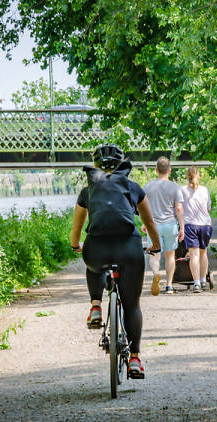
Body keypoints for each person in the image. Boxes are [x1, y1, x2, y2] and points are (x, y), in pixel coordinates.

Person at [70, 144, 162, 379]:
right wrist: (156, 245)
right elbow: (150, 223)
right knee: (132, 305)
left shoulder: (87, 190)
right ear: (122, 164)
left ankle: (96, 306)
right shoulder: (133, 187)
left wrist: (74, 245)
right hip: (129, 250)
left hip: (97, 249)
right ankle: (134, 359)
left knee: (93, 262)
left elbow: (78, 226)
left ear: (96, 166)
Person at [142, 157, 186, 295]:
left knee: (154, 255)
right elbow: (178, 209)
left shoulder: (148, 187)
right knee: (170, 256)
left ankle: (156, 273)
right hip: (170, 225)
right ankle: (169, 286)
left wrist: (144, 223)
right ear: (170, 170)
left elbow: (144, 208)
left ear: (156, 170)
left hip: (153, 226)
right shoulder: (175, 187)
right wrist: (182, 227)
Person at [181, 166, 212, 293]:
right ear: (198, 175)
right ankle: (204, 280)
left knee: (194, 255)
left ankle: (197, 284)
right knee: (203, 253)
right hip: (205, 225)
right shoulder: (204, 190)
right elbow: (208, 207)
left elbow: (180, 208)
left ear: (187, 177)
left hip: (190, 225)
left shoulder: (182, 190)